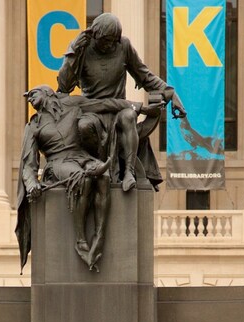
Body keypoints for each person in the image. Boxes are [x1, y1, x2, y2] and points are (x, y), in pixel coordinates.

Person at [17, 86, 160, 272]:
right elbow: (28, 162)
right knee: (82, 179)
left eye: (32, 94)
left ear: (48, 92)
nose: (29, 99)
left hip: (82, 156)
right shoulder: (33, 125)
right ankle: (80, 239)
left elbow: (106, 104)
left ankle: (100, 235)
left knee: (103, 177)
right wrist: (31, 184)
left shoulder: (73, 104)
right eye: (28, 97)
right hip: (58, 162)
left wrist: (139, 107)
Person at [57, 13, 185, 192]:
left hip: (118, 110)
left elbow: (145, 76)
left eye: (113, 41)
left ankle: (128, 173)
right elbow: (63, 86)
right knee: (84, 126)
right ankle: (97, 168)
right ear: (95, 35)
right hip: (93, 111)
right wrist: (73, 52)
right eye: (105, 40)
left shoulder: (123, 46)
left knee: (129, 116)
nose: (109, 45)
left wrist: (171, 94)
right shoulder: (83, 49)